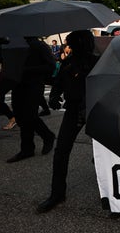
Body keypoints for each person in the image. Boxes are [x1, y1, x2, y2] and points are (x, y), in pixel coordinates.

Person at [37, 30, 99, 213]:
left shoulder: (97, 62)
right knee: (61, 151)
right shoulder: (68, 62)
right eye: (69, 45)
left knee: (103, 154)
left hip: (94, 110)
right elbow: (58, 82)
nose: (70, 48)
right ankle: (57, 194)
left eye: (73, 44)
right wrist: (54, 95)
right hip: (72, 110)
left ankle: (112, 194)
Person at [7, 36, 56, 163]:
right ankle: (31, 146)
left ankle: (31, 146)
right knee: (20, 116)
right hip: (18, 85)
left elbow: (50, 66)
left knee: (29, 116)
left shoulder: (39, 45)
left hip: (33, 85)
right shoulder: (15, 46)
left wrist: (26, 70)